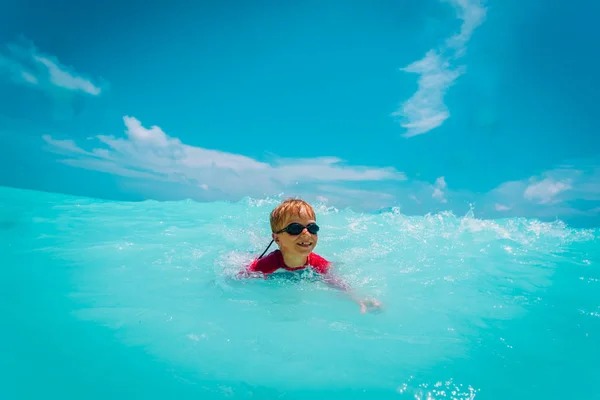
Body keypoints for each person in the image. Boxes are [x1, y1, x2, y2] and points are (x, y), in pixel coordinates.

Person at [239, 197, 382, 314]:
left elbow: (338, 284)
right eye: (295, 228)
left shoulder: (318, 264)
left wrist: (359, 299)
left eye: (312, 228)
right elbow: (241, 277)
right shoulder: (266, 265)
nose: (306, 233)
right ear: (277, 239)